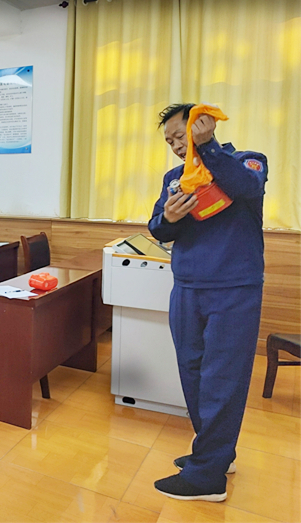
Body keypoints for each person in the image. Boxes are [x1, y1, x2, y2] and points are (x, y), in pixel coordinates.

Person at [149, 104, 268, 502]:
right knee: (193, 373)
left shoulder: (245, 161)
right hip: (186, 287)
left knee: (223, 379)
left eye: (179, 136)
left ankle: (207, 479)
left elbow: (246, 189)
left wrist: (209, 148)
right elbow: (158, 228)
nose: (175, 146)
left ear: (201, 125)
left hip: (234, 288)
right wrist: (168, 218)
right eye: (169, 141)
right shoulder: (174, 179)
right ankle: (215, 454)